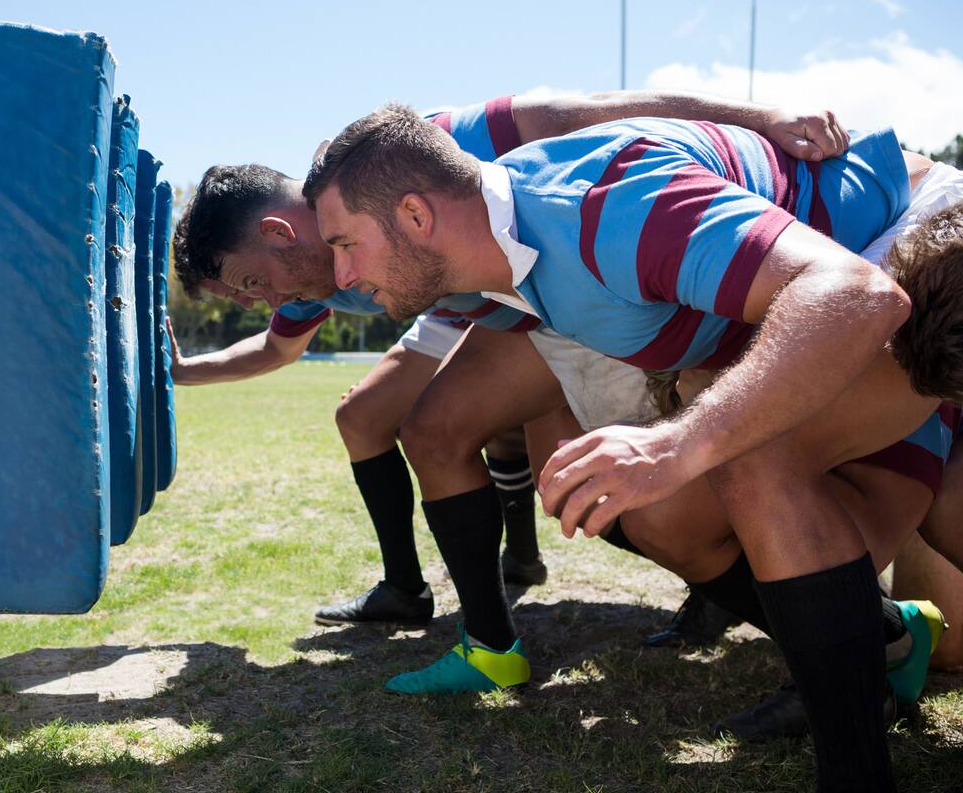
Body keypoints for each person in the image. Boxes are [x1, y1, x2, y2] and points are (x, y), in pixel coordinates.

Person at [304, 105, 958, 792]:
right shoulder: (496, 256)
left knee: (749, 455)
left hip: (917, 236)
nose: (340, 275)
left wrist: (677, 441)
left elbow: (855, 292)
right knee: (663, 516)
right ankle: (883, 641)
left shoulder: (602, 205)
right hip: (822, 297)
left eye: (346, 244)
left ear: (415, 215)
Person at [171, 90, 846, 631]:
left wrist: (762, 116)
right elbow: (276, 349)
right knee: (524, 463)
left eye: (251, 284)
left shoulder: (416, 156)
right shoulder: (316, 277)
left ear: (281, 233)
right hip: (518, 316)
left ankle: (814, 611)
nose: (260, 303)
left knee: (648, 488)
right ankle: (485, 618)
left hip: (599, 288)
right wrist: (178, 372)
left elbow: (593, 111)